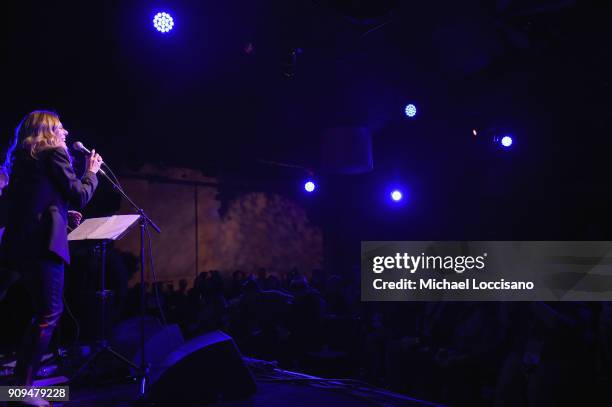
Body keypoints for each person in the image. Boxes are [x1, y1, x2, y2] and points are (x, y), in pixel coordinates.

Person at [0, 111, 102, 404]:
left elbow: (35, 201)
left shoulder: (22, 160)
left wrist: (58, 212)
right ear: (48, 131)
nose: (66, 132)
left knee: (36, 310)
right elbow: (79, 194)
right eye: (60, 127)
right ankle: (23, 390)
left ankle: (20, 386)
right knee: (49, 313)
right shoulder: (55, 153)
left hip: (17, 244)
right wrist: (91, 171)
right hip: (41, 247)